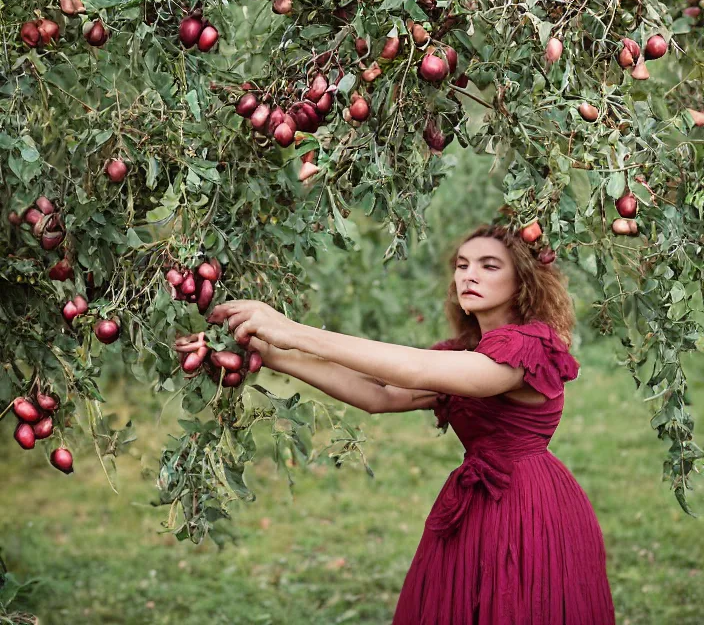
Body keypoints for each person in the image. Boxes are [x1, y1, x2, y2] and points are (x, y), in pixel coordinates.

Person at [176, 223, 616, 624]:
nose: (469, 275)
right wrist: (269, 352)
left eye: (488, 265)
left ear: (522, 278)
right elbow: (379, 394)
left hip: (528, 508)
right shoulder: (467, 351)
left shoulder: (527, 348)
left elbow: (414, 370)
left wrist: (292, 329)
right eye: (462, 265)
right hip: (476, 506)